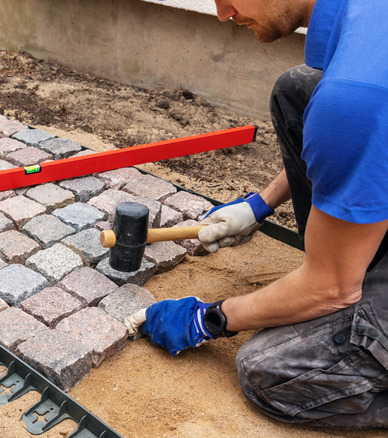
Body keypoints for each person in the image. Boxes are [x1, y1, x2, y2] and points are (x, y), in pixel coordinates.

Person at [136, 0, 388, 428]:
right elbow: (361, 144)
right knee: (297, 90)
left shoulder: (357, 95)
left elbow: (332, 290)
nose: (221, 13)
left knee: (269, 371)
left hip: (337, 278)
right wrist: (259, 204)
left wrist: (210, 319)